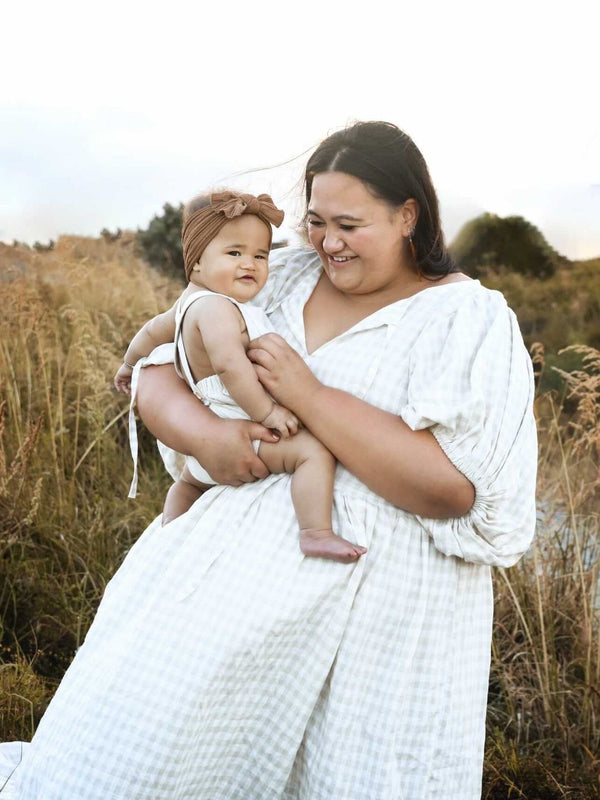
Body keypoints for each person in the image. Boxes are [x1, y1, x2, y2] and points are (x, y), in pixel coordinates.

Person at [0, 121, 537, 800]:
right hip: (218, 600)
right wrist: (206, 438)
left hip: (381, 629)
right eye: (315, 221)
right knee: (142, 766)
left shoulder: (468, 318)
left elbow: (452, 490)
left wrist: (308, 395)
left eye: (349, 224)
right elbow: (160, 369)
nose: (328, 242)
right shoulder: (273, 275)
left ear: (409, 215)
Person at [113, 189, 366, 561]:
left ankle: (169, 534)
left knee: (186, 485)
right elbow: (232, 367)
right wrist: (268, 413)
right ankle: (315, 531)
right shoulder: (217, 309)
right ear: (196, 262)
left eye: (259, 255)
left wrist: (129, 364)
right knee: (312, 453)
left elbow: (151, 332)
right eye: (234, 254)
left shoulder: (185, 305)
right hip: (242, 423)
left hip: (207, 443)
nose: (249, 264)